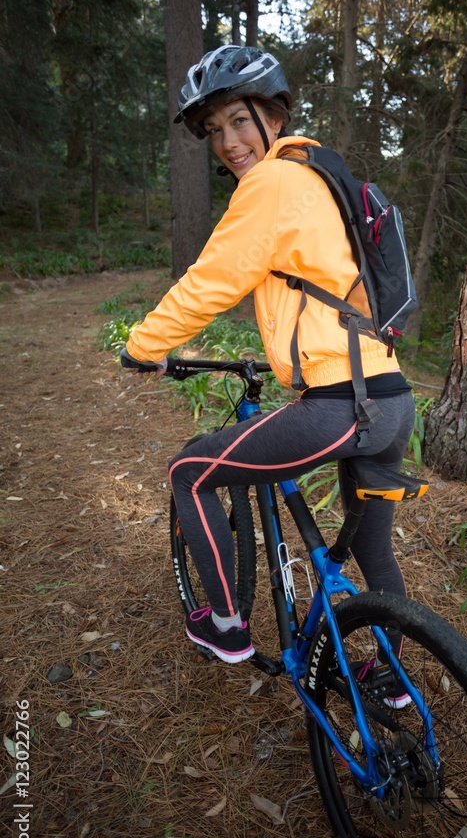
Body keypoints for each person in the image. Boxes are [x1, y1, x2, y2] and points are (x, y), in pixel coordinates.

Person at [123, 45, 415, 670]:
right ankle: (394, 680)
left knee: (189, 472)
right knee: (373, 550)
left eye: (238, 120)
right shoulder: (316, 175)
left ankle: (227, 624)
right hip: (390, 399)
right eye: (214, 130)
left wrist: (142, 345)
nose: (227, 142)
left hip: (343, 403)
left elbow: (211, 281)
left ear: (275, 116)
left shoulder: (272, 181)